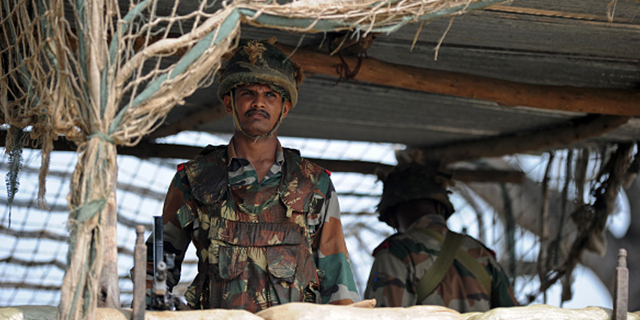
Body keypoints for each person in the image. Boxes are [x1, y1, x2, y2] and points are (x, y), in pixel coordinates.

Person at [145, 39, 359, 312]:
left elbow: (337, 277)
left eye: (270, 95)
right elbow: (157, 265)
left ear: (285, 107)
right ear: (228, 102)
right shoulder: (194, 179)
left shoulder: (313, 184)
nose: (259, 102)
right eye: (248, 93)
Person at [364, 163, 518, 312]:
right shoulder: (481, 254)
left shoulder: (396, 252)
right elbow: (514, 315)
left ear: (393, 218)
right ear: (440, 208)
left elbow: (382, 315)